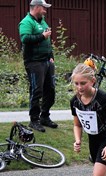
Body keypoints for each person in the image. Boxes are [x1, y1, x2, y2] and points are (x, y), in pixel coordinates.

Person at [18, 0, 58, 133]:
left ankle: (44, 117)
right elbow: (25, 39)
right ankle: (34, 120)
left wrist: (51, 55)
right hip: (34, 62)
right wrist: (42, 36)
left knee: (50, 90)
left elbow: (48, 40)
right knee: (37, 90)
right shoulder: (26, 22)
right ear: (36, 7)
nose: (45, 11)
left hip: (47, 61)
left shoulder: (42, 21)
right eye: (43, 8)